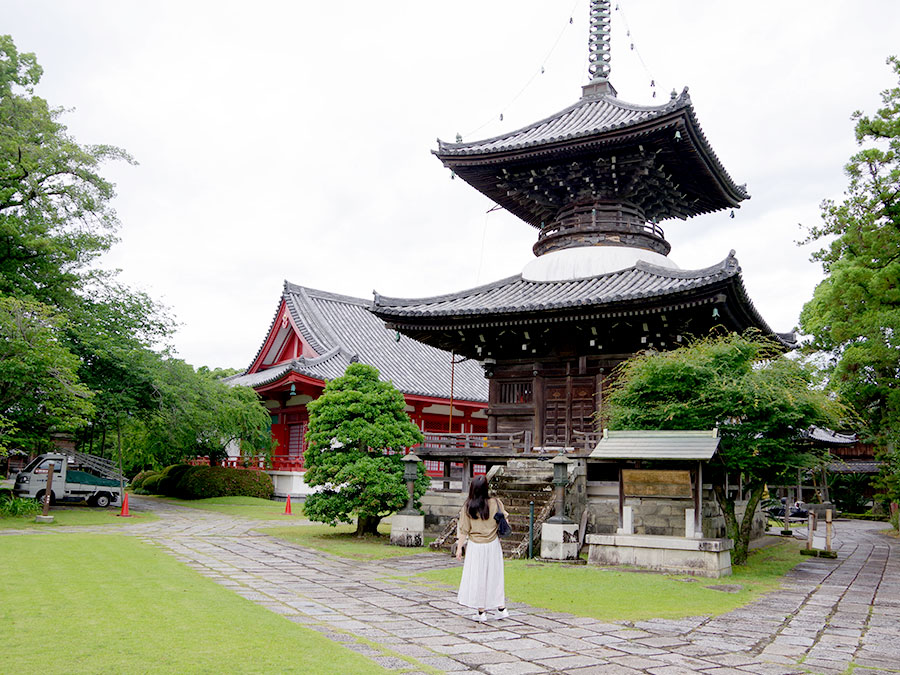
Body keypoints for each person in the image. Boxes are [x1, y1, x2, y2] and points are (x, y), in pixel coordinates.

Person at [455, 474, 509, 621]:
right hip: (492, 544)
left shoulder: (468, 506)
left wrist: (459, 548)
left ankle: (481, 611)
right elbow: (504, 519)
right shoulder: (496, 503)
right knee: (495, 576)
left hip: (475, 545)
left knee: (478, 577)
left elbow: (464, 530)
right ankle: (501, 607)